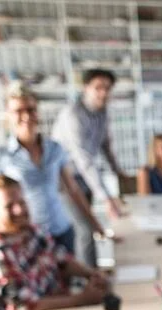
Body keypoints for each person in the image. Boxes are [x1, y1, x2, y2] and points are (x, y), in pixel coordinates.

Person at [0, 81, 108, 255]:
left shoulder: (55, 148)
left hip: (61, 230)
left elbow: (73, 189)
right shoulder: (0, 156)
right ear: (8, 115)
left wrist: (94, 223)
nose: (26, 116)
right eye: (18, 111)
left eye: (31, 109)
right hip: (27, 236)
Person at [0, 175, 110, 310]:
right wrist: (81, 299)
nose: (19, 210)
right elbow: (26, 308)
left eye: (22, 202)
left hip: (64, 309)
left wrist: (92, 274)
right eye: (9, 206)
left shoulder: (32, 230)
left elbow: (62, 260)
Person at [52, 68, 127, 268]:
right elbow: (84, 160)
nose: (103, 92)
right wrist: (107, 199)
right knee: (85, 229)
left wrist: (118, 172)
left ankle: (92, 273)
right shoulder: (72, 115)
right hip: (66, 180)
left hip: (84, 177)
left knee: (90, 228)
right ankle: (91, 280)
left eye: (107, 88)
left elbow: (105, 145)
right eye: (98, 87)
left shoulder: (102, 112)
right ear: (86, 88)